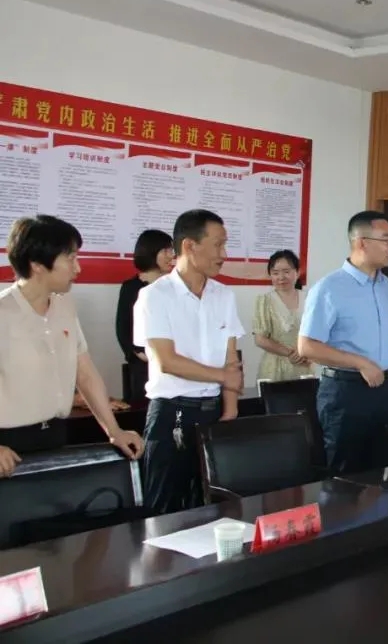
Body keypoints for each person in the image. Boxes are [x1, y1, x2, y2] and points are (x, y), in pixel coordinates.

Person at [0, 215, 143, 476]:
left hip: (55, 436)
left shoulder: (65, 307)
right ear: (37, 264)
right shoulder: (3, 311)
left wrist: (114, 431)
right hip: (8, 448)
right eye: (70, 258)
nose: (77, 268)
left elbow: (85, 374)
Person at [133, 209, 245, 513]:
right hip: (173, 416)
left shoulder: (224, 295)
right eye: (218, 245)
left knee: (213, 507)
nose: (224, 254)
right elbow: (167, 362)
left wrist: (230, 410)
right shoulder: (155, 296)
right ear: (189, 246)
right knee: (165, 511)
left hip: (214, 413)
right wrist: (223, 376)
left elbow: (231, 360)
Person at [298, 211, 388, 474]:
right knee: (345, 474)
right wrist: (359, 362)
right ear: (362, 242)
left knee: (382, 470)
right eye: (387, 239)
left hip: (385, 389)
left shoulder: (386, 286)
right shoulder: (329, 288)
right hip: (346, 392)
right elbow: (307, 346)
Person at [115, 229, 174, 401]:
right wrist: (138, 353)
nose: (171, 256)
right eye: (165, 251)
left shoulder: (174, 287)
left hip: (174, 363)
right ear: (150, 251)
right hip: (143, 364)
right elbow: (123, 328)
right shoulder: (131, 287)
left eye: (171, 250)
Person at [252, 249, 313, 382]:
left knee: (304, 395)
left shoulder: (310, 298)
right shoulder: (264, 301)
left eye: (286, 271)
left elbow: (317, 333)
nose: (281, 277)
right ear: (270, 275)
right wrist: (290, 353)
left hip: (303, 365)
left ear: (297, 272)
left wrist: (307, 353)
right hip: (274, 369)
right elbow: (260, 339)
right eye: (275, 273)